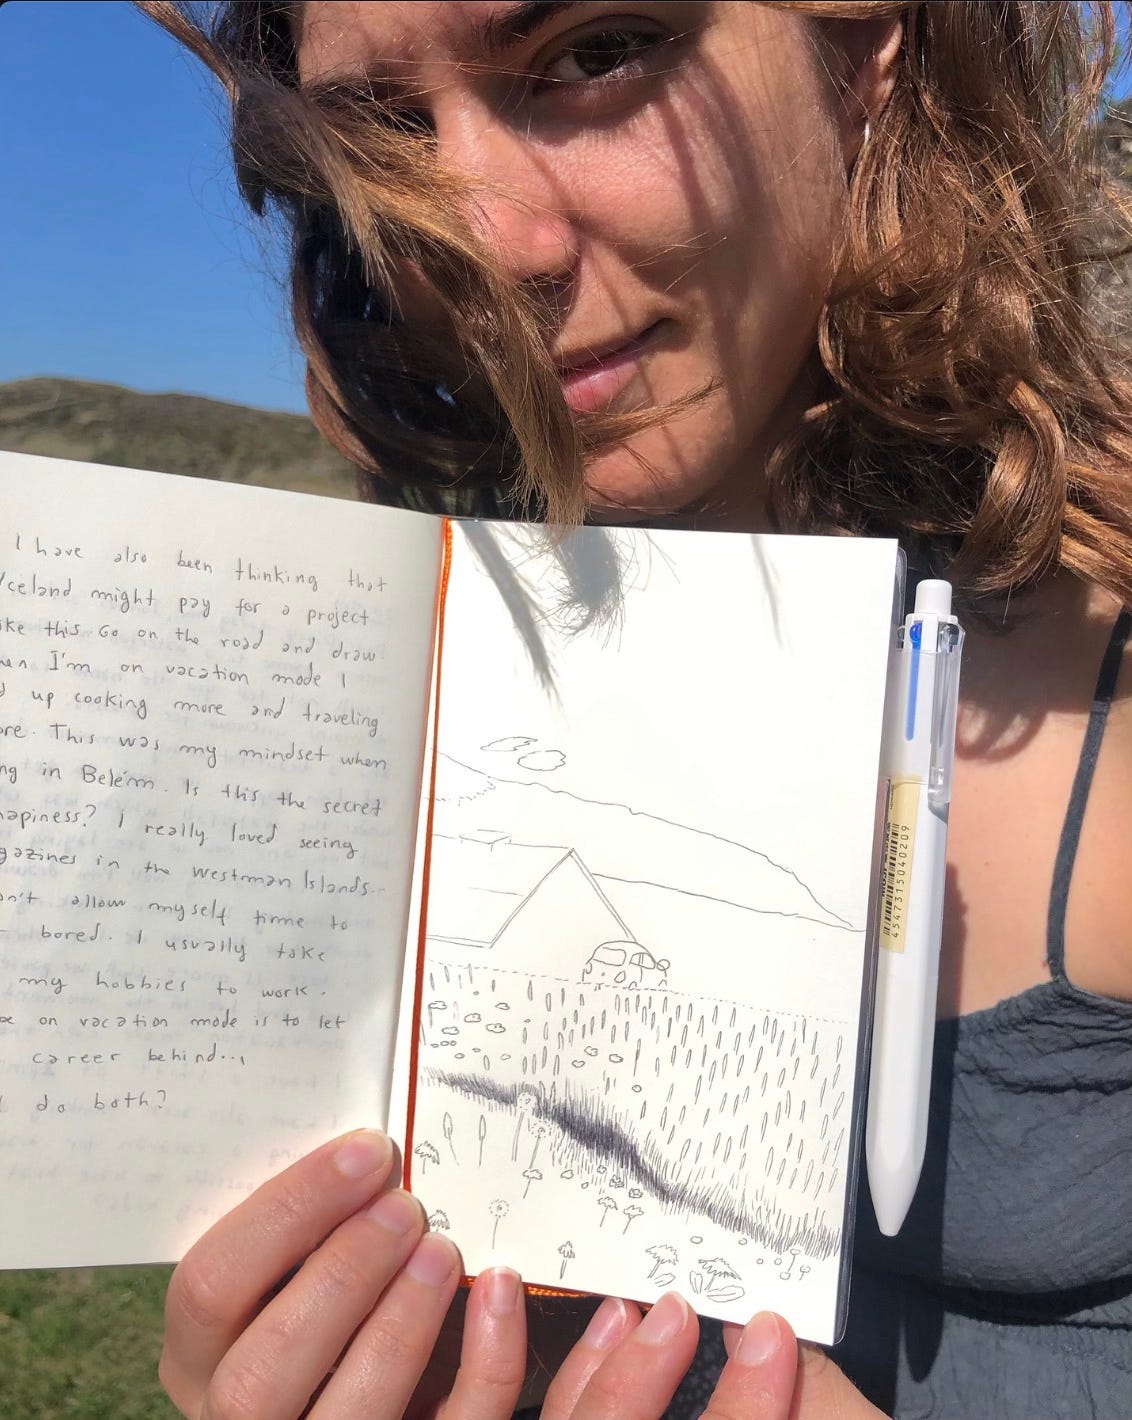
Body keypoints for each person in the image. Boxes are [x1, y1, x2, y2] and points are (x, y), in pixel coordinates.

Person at [140, 2, 1132, 1417]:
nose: (490, 248)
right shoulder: (401, 707)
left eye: (597, 53)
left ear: (866, 47)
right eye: (384, 135)